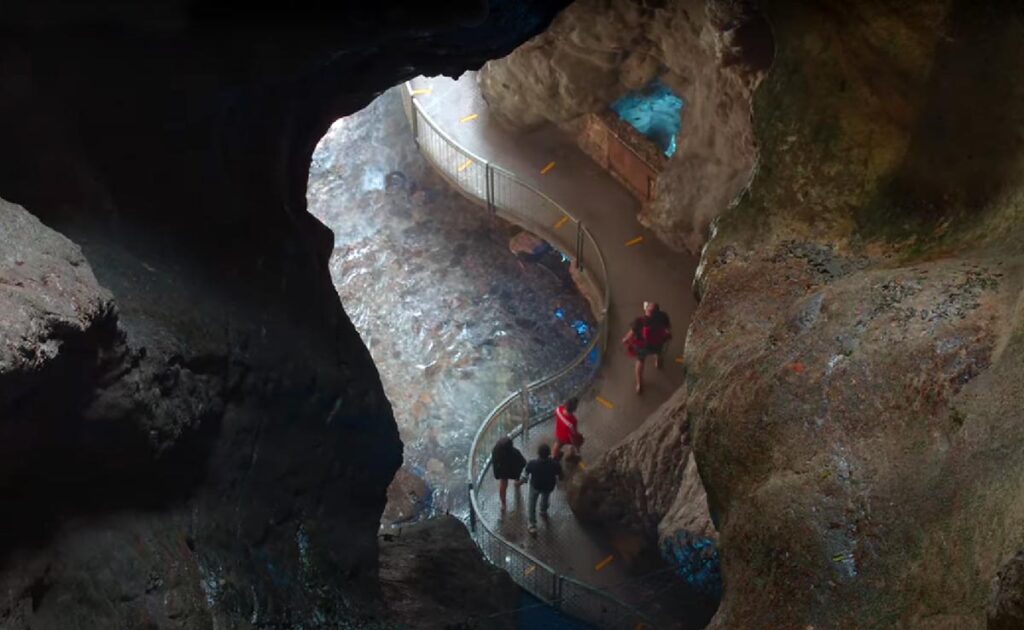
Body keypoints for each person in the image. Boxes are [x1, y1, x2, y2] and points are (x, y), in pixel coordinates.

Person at [622, 301, 672, 394]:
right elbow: (667, 329)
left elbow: (631, 334)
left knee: (640, 362)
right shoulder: (663, 316)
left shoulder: (640, 321)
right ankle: (658, 362)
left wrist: (625, 339)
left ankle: (639, 384)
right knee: (659, 352)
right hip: (658, 343)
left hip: (643, 346)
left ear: (647, 311)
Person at [521, 443, 562, 535]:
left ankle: (532, 524)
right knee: (545, 497)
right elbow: (560, 474)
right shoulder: (554, 464)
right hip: (548, 486)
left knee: (532, 503)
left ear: (538, 453)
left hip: (535, 486)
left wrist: (523, 480)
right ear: (549, 454)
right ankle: (543, 510)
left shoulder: (532, 463)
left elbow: (526, 472)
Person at [491, 436, 526, 511]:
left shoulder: (496, 451)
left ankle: (503, 504)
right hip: (514, 470)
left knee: (503, 486)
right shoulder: (515, 452)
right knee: (517, 477)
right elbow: (523, 462)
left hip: (503, 472)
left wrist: (497, 475)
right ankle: (517, 482)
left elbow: (494, 464)